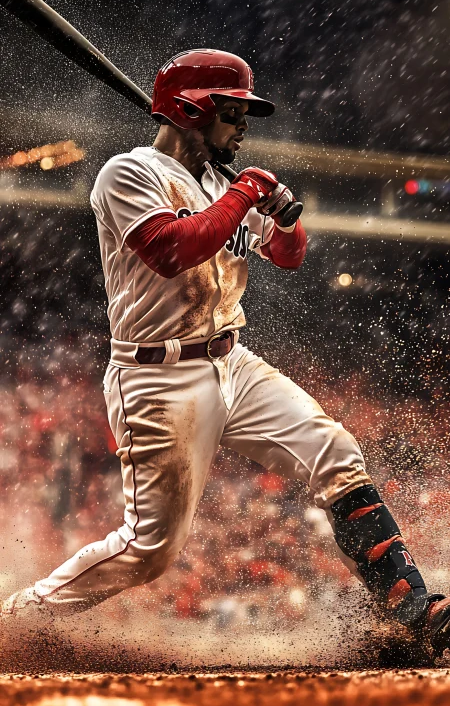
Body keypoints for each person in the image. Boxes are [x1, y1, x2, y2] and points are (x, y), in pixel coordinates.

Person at [3, 49, 450, 656]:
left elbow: (289, 255)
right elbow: (171, 250)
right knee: (150, 551)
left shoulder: (220, 184)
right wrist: (244, 193)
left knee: (337, 453)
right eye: (233, 112)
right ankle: (19, 620)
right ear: (192, 110)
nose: (242, 126)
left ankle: (410, 610)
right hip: (157, 376)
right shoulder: (126, 173)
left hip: (232, 361)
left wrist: (284, 218)